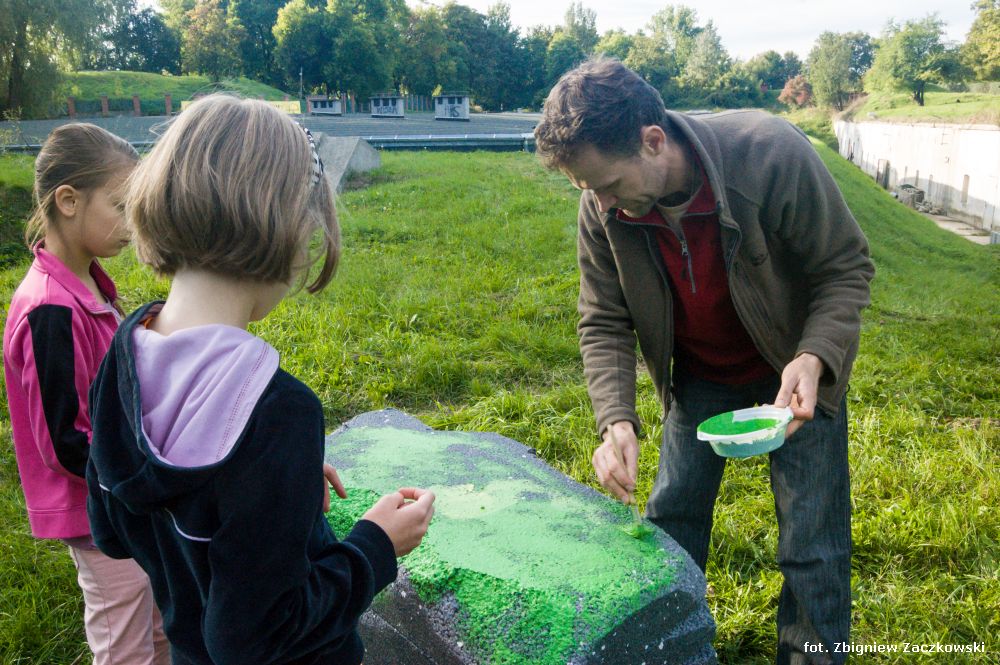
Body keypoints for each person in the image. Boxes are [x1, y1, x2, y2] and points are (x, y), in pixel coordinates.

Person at [534, 58, 875, 664]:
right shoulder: (603, 207)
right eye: (588, 190)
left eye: (607, 184)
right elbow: (603, 317)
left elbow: (844, 269)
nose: (602, 203)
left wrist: (815, 357)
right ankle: (669, 650)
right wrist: (615, 420)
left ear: (653, 141)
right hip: (699, 377)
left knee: (813, 545)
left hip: (793, 368)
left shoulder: (771, 154)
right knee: (671, 522)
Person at [85, 95, 435, 665]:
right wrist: (376, 545)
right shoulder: (279, 413)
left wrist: (274, 488)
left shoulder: (122, 358)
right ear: (291, 228)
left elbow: (111, 531)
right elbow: (257, 638)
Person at [3, 123, 170, 664]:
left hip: (126, 499)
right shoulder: (49, 309)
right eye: (121, 207)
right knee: (124, 643)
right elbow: (64, 441)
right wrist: (139, 478)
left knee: (161, 625)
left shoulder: (89, 285)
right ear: (69, 201)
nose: (133, 224)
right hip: (96, 510)